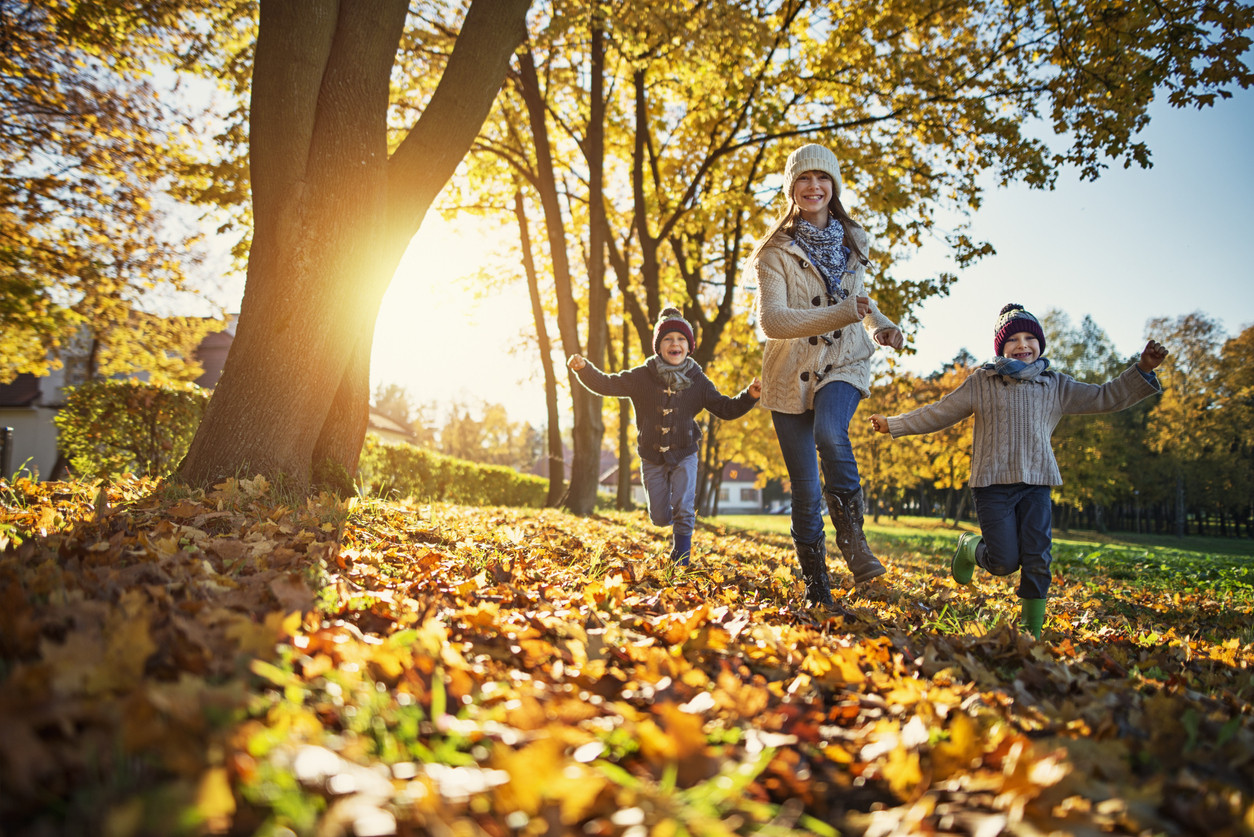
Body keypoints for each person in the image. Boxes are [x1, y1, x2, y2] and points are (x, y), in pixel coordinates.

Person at [870, 303, 1169, 639]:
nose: (1023, 344)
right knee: (1003, 563)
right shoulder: (983, 381)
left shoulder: (1055, 385)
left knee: (1038, 558)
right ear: (1001, 347)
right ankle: (970, 547)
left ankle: (1031, 632)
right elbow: (940, 412)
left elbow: (1104, 397)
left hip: (1037, 484)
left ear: (1040, 344)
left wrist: (1142, 368)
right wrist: (893, 424)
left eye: (1030, 338)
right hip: (992, 486)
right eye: (1013, 339)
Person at [750, 142, 905, 607]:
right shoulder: (773, 252)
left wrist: (881, 326)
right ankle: (818, 584)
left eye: (821, 179)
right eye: (803, 179)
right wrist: (843, 313)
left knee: (831, 432)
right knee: (804, 486)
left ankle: (854, 543)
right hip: (790, 374)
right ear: (791, 188)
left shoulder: (855, 238)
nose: (813, 186)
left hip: (844, 362)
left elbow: (859, 300)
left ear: (833, 186)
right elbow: (772, 321)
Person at [567, 307, 761, 566]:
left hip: (684, 452)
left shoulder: (698, 380)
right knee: (659, 516)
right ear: (659, 346)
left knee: (684, 505)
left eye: (681, 339)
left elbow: (725, 408)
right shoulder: (641, 376)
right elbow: (607, 383)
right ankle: (671, 521)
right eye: (668, 339)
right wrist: (584, 369)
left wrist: (749, 396)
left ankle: (681, 558)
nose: (675, 343)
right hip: (651, 456)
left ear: (689, 347)